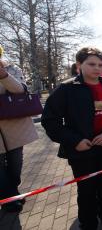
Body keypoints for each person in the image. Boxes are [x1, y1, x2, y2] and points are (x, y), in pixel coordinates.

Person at [41, 47, 102, 229]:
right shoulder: (67, 89)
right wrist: (74, 141)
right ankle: (88, 223)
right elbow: (50, 120)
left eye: (101, 65)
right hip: (81, 150)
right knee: (86, 190)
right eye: (92, 64)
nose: (97, 68)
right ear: (79, 65)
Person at [0, 45, 38, 212]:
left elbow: (21, 90)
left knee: (16, 163)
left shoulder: (11, 68)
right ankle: (7, 198)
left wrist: (4, 76)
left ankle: (13, 190)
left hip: (13, 124)